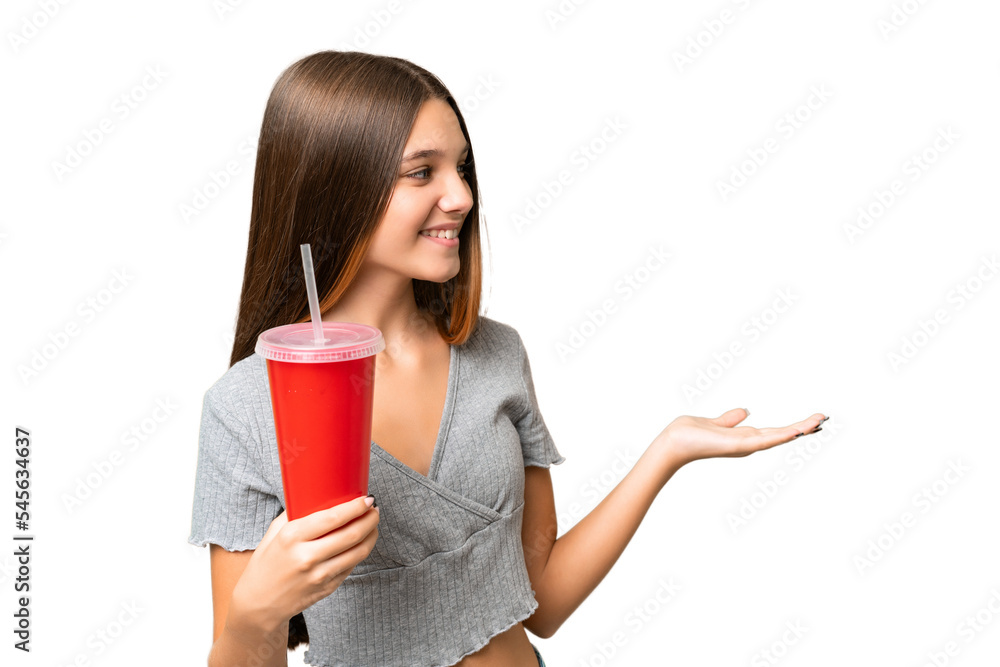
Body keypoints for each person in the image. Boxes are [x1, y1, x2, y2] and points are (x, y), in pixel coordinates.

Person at [188, 50, 827, 667]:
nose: (461, 196)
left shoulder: (496, 355)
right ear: (337, 188)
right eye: (422, 172)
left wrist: (666, 452)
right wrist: (255, 615)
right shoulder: (246, 409)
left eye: (461, 167)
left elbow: (539, 602)